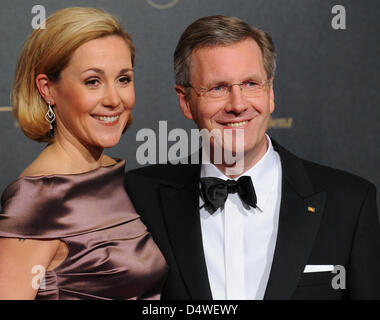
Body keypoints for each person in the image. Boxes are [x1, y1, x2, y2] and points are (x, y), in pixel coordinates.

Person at [125, 15, 380, 299]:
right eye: (218, 88)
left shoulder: (349, 203)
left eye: (250, 84)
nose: (237, 105)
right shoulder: (137, 200)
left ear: (270, 92)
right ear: (186, 101)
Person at [0, 7, 167, 300]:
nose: (114, 99)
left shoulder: (117, 178)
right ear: (48, 89)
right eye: (93, 81)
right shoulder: (39, 199)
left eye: (124, 79)